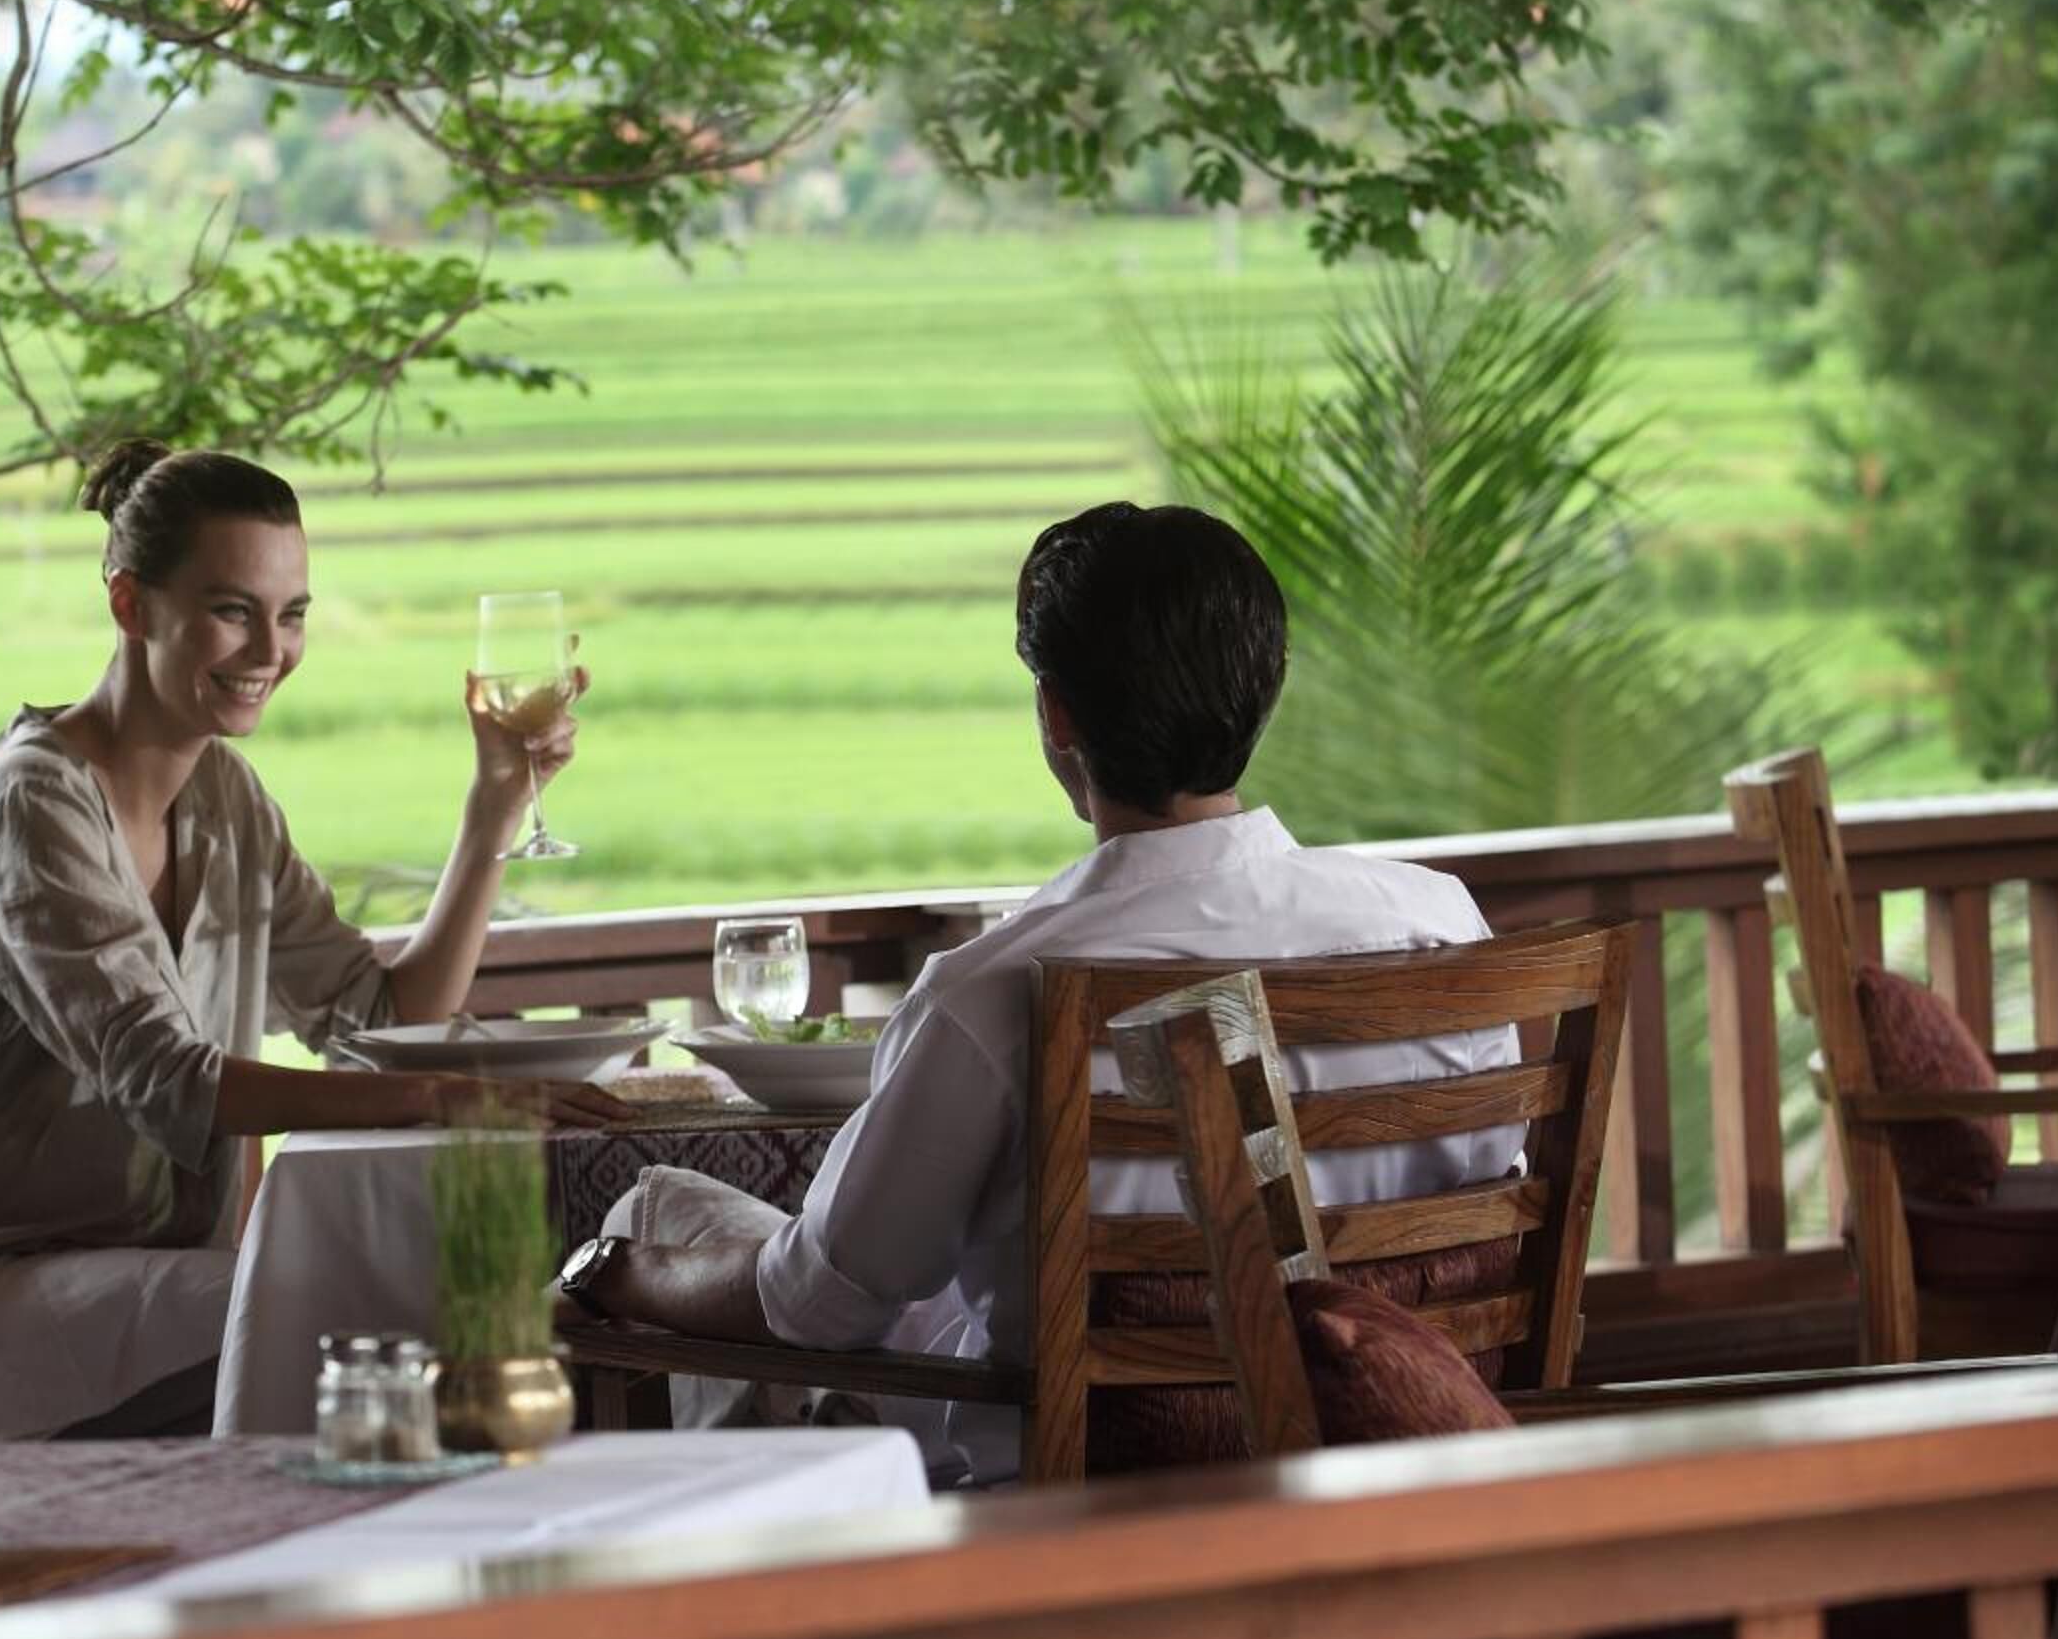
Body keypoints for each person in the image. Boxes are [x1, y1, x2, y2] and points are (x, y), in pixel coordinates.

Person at [553, 501, 1520, 1485]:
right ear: (1264, 688)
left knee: (669, 1221)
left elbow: (819, 1303)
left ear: (1058, 714)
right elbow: (1492, 1202)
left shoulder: (996, 990)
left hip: (1079, 1504)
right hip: (1410, 1473)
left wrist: (612, 1269)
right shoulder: (1440, 925)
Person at [0, 440, 631, 1443]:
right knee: (387, 1320)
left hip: (149, 1278)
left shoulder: (226, 799)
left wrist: (496, 807)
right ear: (129, 604)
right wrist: (453, 1094)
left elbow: (382, 1016)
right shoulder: (30, 801)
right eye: (231, 610)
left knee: (498, 1304)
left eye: (291, 616)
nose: (268, 650)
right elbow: (167, 1075)